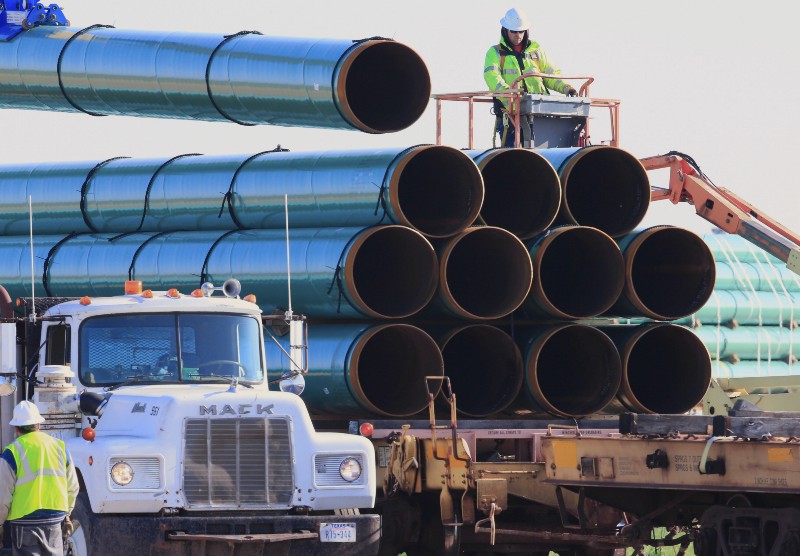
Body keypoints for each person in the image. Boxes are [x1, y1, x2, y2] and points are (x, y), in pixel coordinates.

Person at [484, 8, 577, 148]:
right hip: (511, 115)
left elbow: (551, 75)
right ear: (505, 30)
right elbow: (492, 78)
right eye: (513, 31)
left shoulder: (536, 50)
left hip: (540, 114)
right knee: (512, 156)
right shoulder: (495, 53)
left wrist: (566, 88)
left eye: (521, 31)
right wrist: (510, 96)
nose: (517, 35)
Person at [0, 401, 79, 556]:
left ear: (16, 428)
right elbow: (73, 486)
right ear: (39, 425)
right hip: (54, 520)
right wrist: (67, 514)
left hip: (24, 521)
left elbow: (3, 494)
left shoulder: (12, 452)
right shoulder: (60, 447)